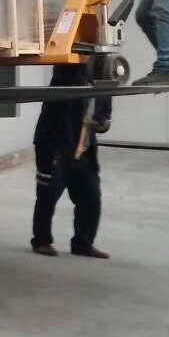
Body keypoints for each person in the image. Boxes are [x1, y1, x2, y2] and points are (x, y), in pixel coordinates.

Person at [31, 63, 111, 259]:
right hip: (55, 146)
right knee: (48, 195)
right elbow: (67, 69)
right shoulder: (65, 78)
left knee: (91, 196)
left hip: (84, 149)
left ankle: (83, 243)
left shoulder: (103, 85)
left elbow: (104, 121)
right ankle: (41, 240)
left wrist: (101, 124)